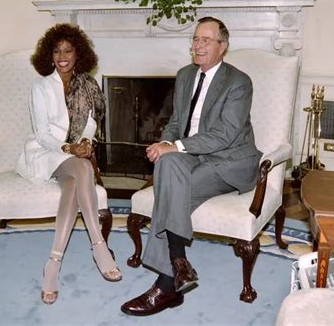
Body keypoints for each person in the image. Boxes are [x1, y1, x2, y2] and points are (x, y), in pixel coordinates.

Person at [121, 17, 262, 316]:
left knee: (170, 193)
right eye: (196, 39)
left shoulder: (239, 82)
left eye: (206, 40)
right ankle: (179, 265)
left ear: (222, 47)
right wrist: (163, 145)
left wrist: (176, 147)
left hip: (228, 159)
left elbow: (225, 135)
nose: (198, 45)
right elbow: (175, 123)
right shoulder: (185, 75)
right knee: (167, 165)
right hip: (192, 154)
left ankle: (167, 283)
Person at [16, 24, 122, 305]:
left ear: (78, 54)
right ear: (49, 56)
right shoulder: (40, 87)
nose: (62, 56)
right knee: (82, 167)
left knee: (75, 180)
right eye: (57, 50)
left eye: (68, 50)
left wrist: (86, 142)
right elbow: (41, 133)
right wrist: (69, 148)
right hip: (45, 152)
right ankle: (100, 246)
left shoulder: (87, 85)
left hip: (72, 155)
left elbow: (90, 124)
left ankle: (53, 263)